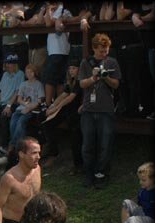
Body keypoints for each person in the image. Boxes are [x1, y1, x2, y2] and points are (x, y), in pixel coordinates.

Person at [78, 33, 121, 189]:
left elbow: (116, 84)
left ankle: (101, 173)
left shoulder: (112, 62)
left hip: (106, 109)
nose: (104, 53)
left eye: (106, 50)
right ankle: (89, 174)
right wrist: (94, 78)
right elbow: (82, 84)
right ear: (94, 48)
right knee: (87, 144)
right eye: (101, 51)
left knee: (105, 144)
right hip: (88, 110)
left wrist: (105, 77)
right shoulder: (85, 63)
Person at [40, 57, 83, 172]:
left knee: (75, 136)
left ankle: (77, 165)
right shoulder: (70, 82)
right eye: (70, 68)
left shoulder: (80, 81)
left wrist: (56, 108)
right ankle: (53, 153)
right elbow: (64, 94)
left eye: (74, 68)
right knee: (47, 124)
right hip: (66, 110)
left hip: (76, 113)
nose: (71, 71)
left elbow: (71, 98)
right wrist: (53, 106)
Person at [0, 136, 42, 223]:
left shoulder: (37, 169)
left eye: (39, 152)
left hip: (32, 222)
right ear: (21, 154)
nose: (38, 157)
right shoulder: (9, 179)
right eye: (34, 153)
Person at [7, 64, 45, 162]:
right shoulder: (23, 84)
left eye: (31, 72)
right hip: (21, 108)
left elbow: (40, 100)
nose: (29, 74)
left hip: (32, 110)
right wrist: (25, 104)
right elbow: (19, 99)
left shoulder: (38, 84)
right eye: (27, 72)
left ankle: (15, 146)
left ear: (35, 73)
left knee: (21, 123)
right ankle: (15, 144)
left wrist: (29, 107)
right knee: (13, 122)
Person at [43, 2, 72, 105]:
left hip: (59, 49)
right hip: (55, 50)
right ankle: (56, 105)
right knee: (58, 78)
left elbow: (48, 23)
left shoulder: (63, 9)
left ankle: (49, 105)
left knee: (50, 79)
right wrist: (48, 9)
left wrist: (49, 9)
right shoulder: (55, 10)